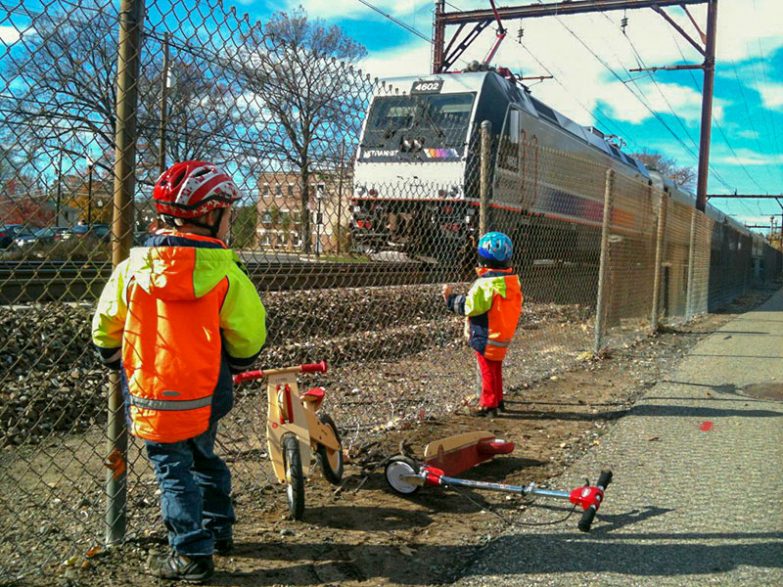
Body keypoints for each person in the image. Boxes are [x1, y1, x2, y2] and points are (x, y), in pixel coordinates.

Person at [92, 161, 267, 583]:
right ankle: (218, 531)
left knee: (173, 472)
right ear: (212, 215)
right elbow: (249, 335)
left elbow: (105, 330)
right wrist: (235, 364)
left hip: (153, 394)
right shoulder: (226, 274)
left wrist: (115, 359)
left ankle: (190, 552)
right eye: (229, 213)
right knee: (204, 457)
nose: (231, 221)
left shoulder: (132, 270)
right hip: (206, 394)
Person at [442, 231, 523, 417]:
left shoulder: (485, 284)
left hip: (486, 334)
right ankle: (499, 401)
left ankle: (488, 406)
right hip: (502, 335)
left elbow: (471, 307)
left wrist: (450, 299)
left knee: (487, 369)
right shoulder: (511, 282)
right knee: (495, 368)